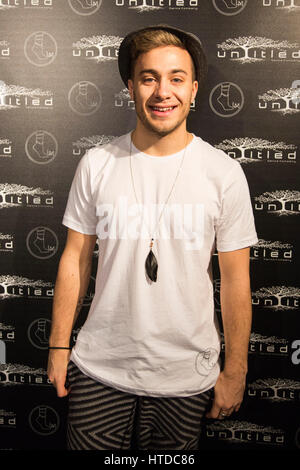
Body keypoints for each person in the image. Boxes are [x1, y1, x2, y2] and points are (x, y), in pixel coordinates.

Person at [47, 24, 258, 450]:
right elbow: (75, 259)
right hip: (99, 369)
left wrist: (235, 370)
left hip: (186, 374)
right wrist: (57, 345)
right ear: (131, 87)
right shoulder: (96, 164)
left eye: (177, 78)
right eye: (149, 78)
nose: (164, 91)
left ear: (194, 89)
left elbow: (235, 281)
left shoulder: (223, 173)